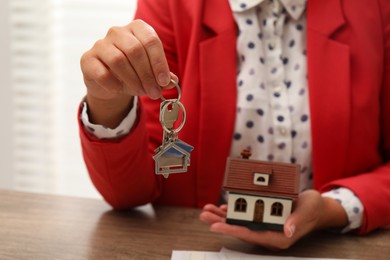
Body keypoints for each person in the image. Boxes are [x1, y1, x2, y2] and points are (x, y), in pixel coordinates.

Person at [79, 0, 390, 250]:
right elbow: (127, 194)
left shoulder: (376, 9)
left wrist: (330, 210)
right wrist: (107, 102)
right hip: (191, 244)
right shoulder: (170, 6)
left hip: (335, 247)